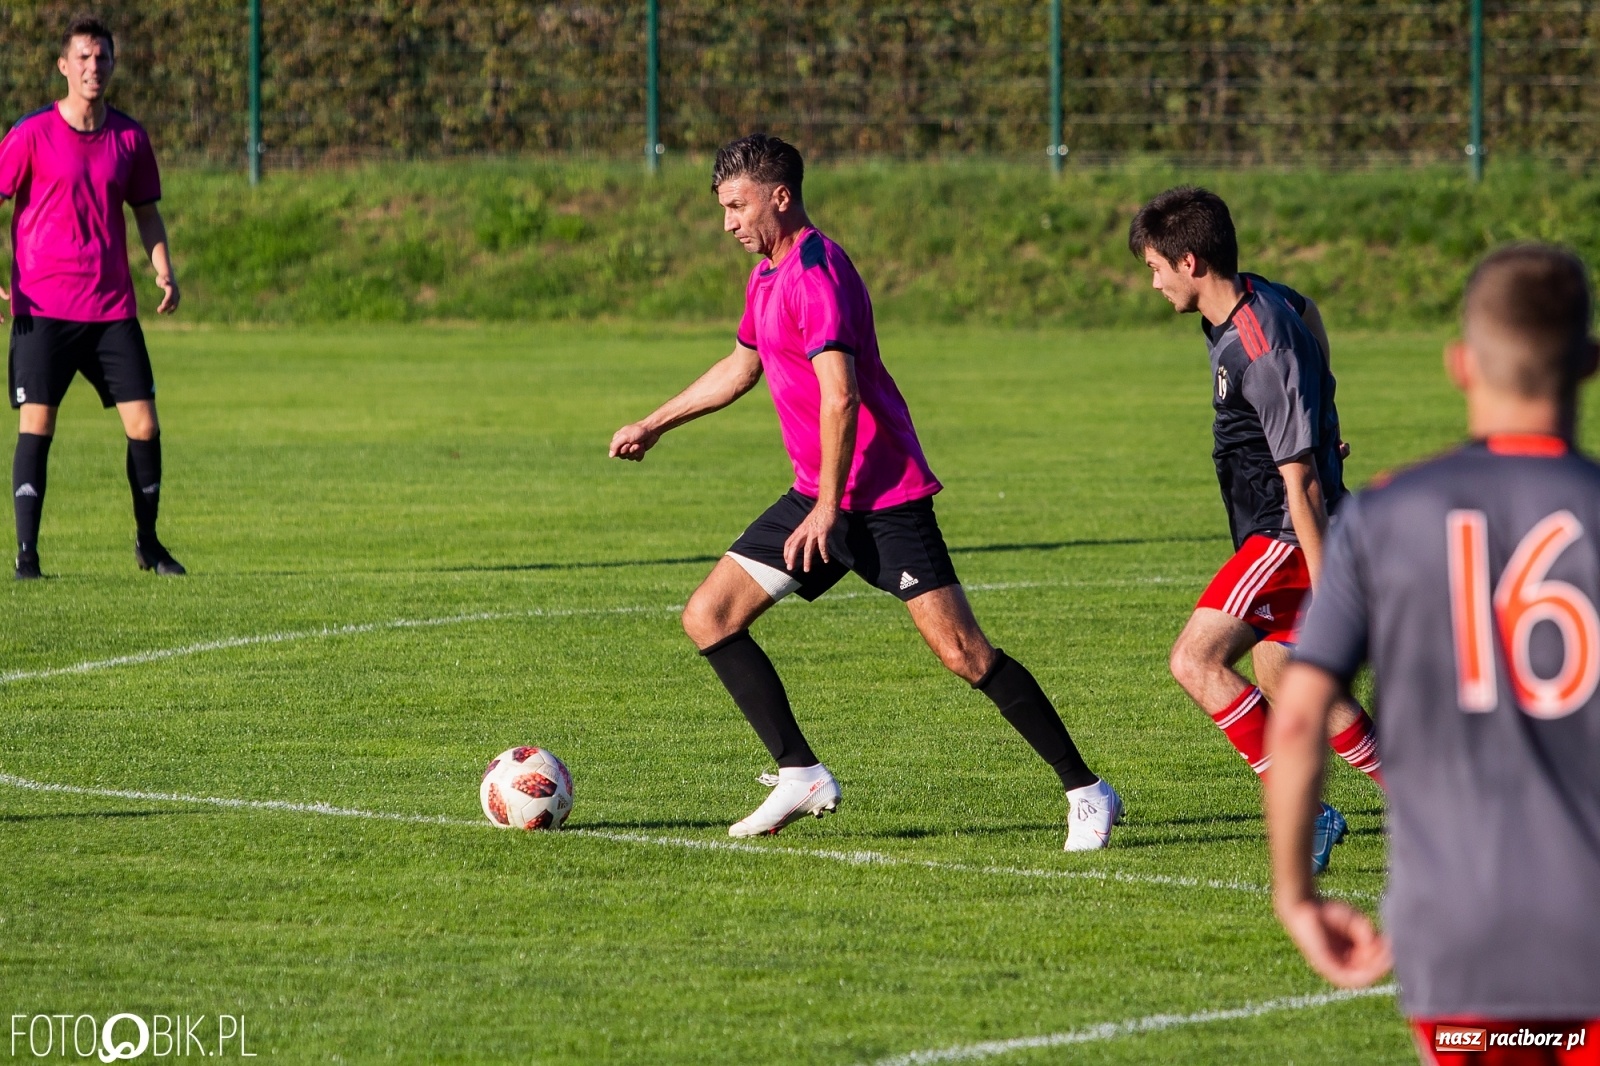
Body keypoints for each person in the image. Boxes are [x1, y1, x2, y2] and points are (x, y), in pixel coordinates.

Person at [609, 133, 1120, 847]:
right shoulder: (765, 276)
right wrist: (656, 422)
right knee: (710, 616)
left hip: (881, 500)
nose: (727, 222)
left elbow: (841, 397)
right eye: (722, 207)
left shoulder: (818, 272)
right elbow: (739, 367)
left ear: (779, 197)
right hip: (819, 495)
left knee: (964, 653)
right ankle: (800, 775)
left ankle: (1088, 791)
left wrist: (826, 507)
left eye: (737, 205)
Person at [1267, 243, 1600, 1065]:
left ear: (1460, 365)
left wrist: (1297, 895)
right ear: (1589, 364)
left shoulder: (1387, 515)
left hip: (1458, 941)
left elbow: (1301, 711)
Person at [1128, 186, 1383, 874]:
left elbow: (1299, 483)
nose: (1151, 282)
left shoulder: (1259, 348)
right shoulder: (1253, 301)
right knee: (1289, 677)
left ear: (1190, 262)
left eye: (1155, 267)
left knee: (1195, 661)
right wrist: (1321, 415)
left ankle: (1305, 808)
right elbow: (1311, 310)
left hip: (1287, 534)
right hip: (1277, 525)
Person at [0, 14, 184, 580]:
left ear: (113, 64)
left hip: (110, 312)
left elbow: (146, 212)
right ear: (63, 66)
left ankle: (148, 545)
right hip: (43, 310)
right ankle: (27, 557)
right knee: (38, 426)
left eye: (101, 57)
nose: (92, 67)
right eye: (82, 57)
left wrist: (164, 270)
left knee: (145, 426)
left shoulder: (129, 138)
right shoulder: (30, 134)